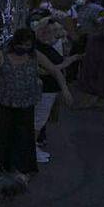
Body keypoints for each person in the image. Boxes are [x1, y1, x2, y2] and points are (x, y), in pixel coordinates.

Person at [0, 28, 72, 178]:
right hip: (2, 103)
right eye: (21, 45)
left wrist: (65, 89)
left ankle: (19, 167)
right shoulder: (1, 55)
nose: (24, 49)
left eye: (27, 46)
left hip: (24, 104)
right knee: (0, 135)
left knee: (22, 136)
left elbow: (55, 71)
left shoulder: (35, 56)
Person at [32, 17, 80, 162]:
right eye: (55, 33)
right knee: (38, 121)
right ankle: (31, 150)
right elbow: (45, 71)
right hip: (45, 90)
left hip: (49, 90)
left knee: (40, 120)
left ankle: (33, 148)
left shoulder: (45, 47)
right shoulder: (39, 48)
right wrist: (67, 63)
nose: (58, 37)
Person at [74, 10, 104, 109]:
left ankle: (87, 102)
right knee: (100, 78)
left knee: (97, 78)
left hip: (103, 58)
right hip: (95, 56)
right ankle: (100, 102)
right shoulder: (99, 26)